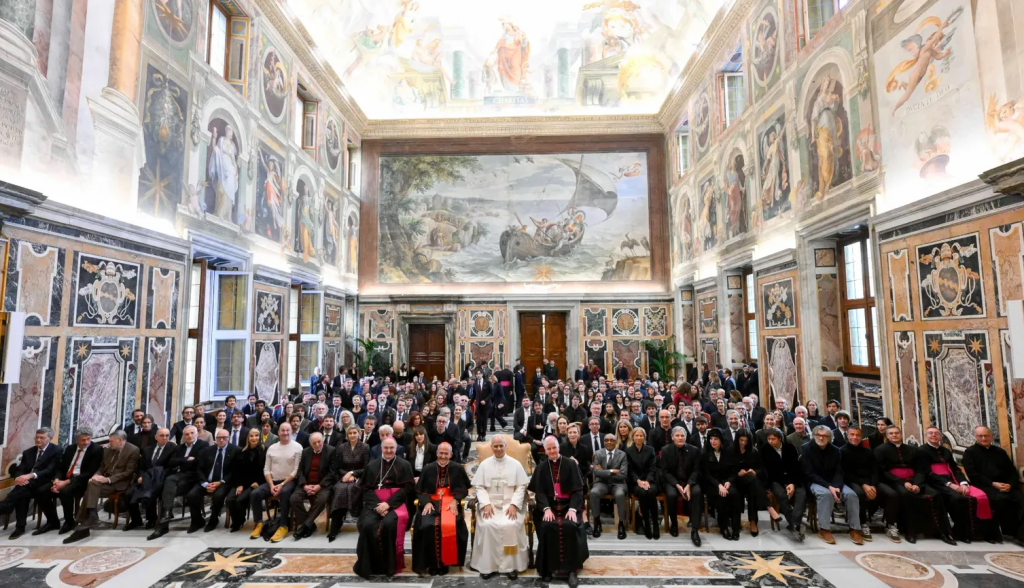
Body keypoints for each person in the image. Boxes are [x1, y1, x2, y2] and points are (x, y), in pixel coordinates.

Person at [875, 425, 955, 544]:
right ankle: (910, 532)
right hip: (894, 481)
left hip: (914, 480)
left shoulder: (912, 450)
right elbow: (882, 472)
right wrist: (903, 483)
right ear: (887, 436)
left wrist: (917, 484)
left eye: (896, 433)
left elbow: (921, 469)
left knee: (935, 495)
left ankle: (942, 532)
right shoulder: (880, 450)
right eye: (891, 433)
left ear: (901, 434)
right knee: (907, 496)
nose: (894, 435)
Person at [530, 437, 588, 588]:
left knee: (570, 526)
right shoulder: (541, 467)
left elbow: (578, 490)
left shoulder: (570, 464)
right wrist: (546, 509)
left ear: (558, 447)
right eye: (548, 449)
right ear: (545, 450)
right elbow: (540, 493)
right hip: (551, 506)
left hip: (569, 506)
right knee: (548, 526)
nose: (552, 451)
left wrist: (574, 509)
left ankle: (572, 570)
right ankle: (548, 568)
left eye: (554, 448)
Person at [64, 430, 140, 543]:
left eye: (111, 441)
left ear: (120, 440)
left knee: (90, 490)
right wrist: (96, 475)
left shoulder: (133, 450)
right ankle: (91, 516)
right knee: (92, 484)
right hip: (103, 481)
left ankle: (84, 523)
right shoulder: (108, 450)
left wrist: (108, 479)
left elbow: (128, 472)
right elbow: (102, 467)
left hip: (119, 482)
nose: (109, 444)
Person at [353, 438, 415, 579]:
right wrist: (378, 505)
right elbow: (366, 488)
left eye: (391, 448)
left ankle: (389, 566)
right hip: (374, 504)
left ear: (396, 449)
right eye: (386, 448)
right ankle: (368, 566)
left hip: (395, 504)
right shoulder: (372, 465)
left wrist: (389, 504)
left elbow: (407, 488)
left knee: (389, 524)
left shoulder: (404, 465)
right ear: (381, 448)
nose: (388, 451)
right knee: (367, 524)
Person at [470, 435, 529, 579]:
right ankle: (487, 566)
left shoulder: (515, 464)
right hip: (490, 506)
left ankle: (511, 566)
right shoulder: (484, 465)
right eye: (495, 446)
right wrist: (485, 504)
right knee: (488, 525)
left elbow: (521, 486)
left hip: (510, 505)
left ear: (505, 446)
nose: (498, 449)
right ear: (491, 447)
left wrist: (515, 504)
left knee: (511, 524)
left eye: (501, 446)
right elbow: (479, 486)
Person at [920, 426, 991, 543]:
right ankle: (946, 532)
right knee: (957, 498)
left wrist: (963, 483)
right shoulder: (921, 450)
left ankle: (963, 533)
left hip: (951, 480)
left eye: (936, 433)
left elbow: (955, 469)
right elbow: (927, 472)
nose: (933, 435)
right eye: (930, 433)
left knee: (967, 498)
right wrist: (949, 484)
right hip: (934, 482)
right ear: (926, 436)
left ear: (940, 436)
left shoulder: (945, 451)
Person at [412, 442, 470, 576]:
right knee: (427, 525)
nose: (443, 456)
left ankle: (446, 563)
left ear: (451, 454)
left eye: (446, 453)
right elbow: (420, 490)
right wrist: (426, 502)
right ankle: (431, 563)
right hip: (431, 503)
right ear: (437, 453)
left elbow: (464, 489)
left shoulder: (458, 468)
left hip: (450, 503)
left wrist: (456, 500)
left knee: (450, 525)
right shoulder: (428, 468)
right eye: (441, 453)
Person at [962, 425, 1024, 543]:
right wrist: (993, 483)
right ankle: (1008, 531)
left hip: (1005, 486)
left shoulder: (1000, 452)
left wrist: (1010, 484)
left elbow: (1012, 471)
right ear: (975, 437)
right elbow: (973, 475)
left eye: (986, 436)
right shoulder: (970, 452)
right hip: (984, 486)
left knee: (1021, 499)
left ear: (991, 436)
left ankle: (1020, 535)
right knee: (1001, 499)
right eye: (980, 436)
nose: (984, 438)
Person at [803, 425, 863, 545]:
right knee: (826, 495)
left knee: (851, 495)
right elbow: (809, 473)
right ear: (814, 436)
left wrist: (837, 487)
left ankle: (855, 528)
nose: (821, 438)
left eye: (825, 436)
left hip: (834, 482)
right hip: (815, 481)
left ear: (830, 437)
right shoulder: (806, 448)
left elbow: (838, 471)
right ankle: (824, 529)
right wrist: (828, 486)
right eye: (818, 435)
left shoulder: (835, 450)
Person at [149, 425, 208, 539]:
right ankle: (163, 523)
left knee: (172, 486)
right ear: (183, 436)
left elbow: (198, 462)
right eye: (186, 434)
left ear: (197, 434)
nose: (189, 436)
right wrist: (185, 459)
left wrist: (181, 462)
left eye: (192, 433)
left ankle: (170, 518)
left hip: (196, 477)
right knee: (168, 485)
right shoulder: (179, 448)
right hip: (181, 476)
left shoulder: (203, 445)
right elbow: (171, 462)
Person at [0, 427, 60, 539]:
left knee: (21, 489)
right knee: (22, 493)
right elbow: (21, 469)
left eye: (42, 438)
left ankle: (6, 508)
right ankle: (19, 527)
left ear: (50, 438)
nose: (38, 440)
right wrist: (19, 478)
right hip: (29, 483)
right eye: (37, 437)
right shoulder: (29, 452)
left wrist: (30, 475)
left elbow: (50, 470)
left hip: (46, 481)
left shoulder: (56, 450)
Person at [250, 422, 304, 542]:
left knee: (284, 493)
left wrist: (282, 484)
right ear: (278, 432)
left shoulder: (298, 447)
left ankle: (283, 526)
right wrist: (271, 485)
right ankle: (259, 523)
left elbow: (296, 470)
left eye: (288, 430)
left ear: (291, 432)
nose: (285, 433)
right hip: (272, 482)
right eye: (283, 430)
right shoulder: (272, 447)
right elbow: (266, 469)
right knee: (255, 494)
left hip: (289, 481)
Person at [186, 429, 239, 533]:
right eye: (219, 438)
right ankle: (197, 521)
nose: (222, 440)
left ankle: (213, 520)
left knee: (218, 496)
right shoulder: (207, 450)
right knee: (192, 495)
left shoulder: (235, 451)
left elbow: (234, 471)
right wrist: (205, 484)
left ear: (228, 439)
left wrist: (220, 482)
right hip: (206, 482)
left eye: (225, 438)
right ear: (216, 439)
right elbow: (199, 469)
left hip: (223, 482)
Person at [123, 426, 176, 531]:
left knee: (150, 492)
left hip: (161, 479)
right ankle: (136, 520)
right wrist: (140, 476)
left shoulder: (172, 448)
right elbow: (141, 467)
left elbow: (171, 467)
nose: (165, 438)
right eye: (162, 435)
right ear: (156, 437)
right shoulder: (148, 449)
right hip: (145, 477)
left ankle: (152, 519)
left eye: (167, 436)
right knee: (127, 494)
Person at [659, 426, 703, 544]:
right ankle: (674, 523)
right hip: (673, 481)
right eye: (677, 436)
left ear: (686, 437)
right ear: (672, 437)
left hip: (689, 481)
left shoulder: (694, 450)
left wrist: (688, 485)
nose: (680, 438)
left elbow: (696, 470)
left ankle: (694, 529)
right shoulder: (665, 450)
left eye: (682, 435)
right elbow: (665, 471)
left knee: (697, 492)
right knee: (672, 495)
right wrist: (677, 485)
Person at [761, 427, 806, 541]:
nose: (770, 441)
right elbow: (770, 472)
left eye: (773, 439)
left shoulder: (789, 448)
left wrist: (791, 483)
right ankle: (795, 524)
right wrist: (786, 484)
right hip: (775, 480)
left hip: (793, 479)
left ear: (780, 438)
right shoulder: (765, 449)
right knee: (781, 495)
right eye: (769, 439)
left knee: (801, 494)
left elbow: (795, 467)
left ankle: (794, 524)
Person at [291, 432, 337, 540]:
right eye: (314, 443)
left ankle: (304, 527)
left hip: (323, 485)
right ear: (310, 444)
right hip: (307, 483)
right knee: (294, 499)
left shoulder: (331, 451)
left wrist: (319, 486)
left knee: (321, 500)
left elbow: (332, 473)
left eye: (319, 442)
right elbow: (300, 471)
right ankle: (310, 525)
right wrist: (305, 485)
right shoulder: (306, 452)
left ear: (323, 440)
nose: (317, 444)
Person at [327, 425, 370, 541]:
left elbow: (367, 468)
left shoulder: (365, 447)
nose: (352, 435)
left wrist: (353, 473)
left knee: (353, 488)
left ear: (359, 434)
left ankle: (359, 523)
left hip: (359, 478)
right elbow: (337, 466)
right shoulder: (341, 447)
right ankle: (335, 525)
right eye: (350, 433)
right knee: (339, 489)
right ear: (347, 435)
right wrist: (345, 475)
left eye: (354, 433)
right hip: (343, 477)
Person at [590, 432, 629, 540]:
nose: (609, 442)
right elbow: (596, 472)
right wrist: (612, 471)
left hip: (618, 484)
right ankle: (597, 523)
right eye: (606, 440)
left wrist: (604, 472)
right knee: (593, 493)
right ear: (603, 442)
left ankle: (621, 524)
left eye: (611, 440)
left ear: (615, 442)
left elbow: (623, 474)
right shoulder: (598, 453)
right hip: (601, 483)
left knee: (620, 495)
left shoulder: (622, 454)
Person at [226, 429, 265, 532]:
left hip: (256, 483)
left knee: (240, 500)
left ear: (260, 437)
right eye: (251, 436)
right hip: (241, 483)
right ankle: (236, 520)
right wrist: (239, 485)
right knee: (230, 499)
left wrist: (258, 483)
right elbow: (236, 471)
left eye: (256, 435)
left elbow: (266, 470)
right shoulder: (241, 451)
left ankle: (239, 521)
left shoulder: (264, 451)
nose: (254, 438)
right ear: (248, 437)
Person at [728, 429, 764, 538]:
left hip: (749, 482)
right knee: (750, 485)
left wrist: (754, 471)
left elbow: (761, 469)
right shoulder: (730, 450)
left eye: (746, 441)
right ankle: (737, 521)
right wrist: (738, 473)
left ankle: (753, 521)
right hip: (735, 480)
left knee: (753, 484)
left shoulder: (753, 451)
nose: (743, 443)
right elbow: (726, 469)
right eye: (741, 440)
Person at [625, 427, 660, 539]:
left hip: (650, 480)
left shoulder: (650, 449)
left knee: (651, 492)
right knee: (642, 493)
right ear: (633, 437)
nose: (639, 438)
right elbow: (629, 470)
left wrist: (648, 481)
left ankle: (655, 523)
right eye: (637, 435)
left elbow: (652, 468)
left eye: (641, 435)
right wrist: (638, 481)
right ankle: (646, 524)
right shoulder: (629, 451)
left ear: (644, 437)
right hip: (635, 482)